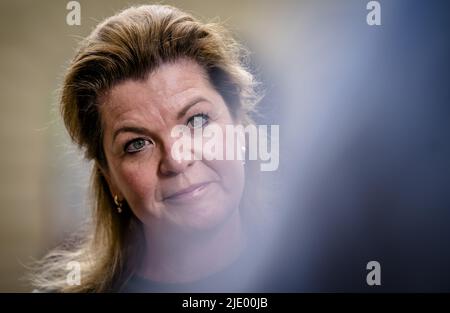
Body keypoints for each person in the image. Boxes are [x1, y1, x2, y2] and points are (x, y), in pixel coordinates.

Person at [30, 4, 268, 292]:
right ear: (110, 178)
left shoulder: (326, 271)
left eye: (197, 120)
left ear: (239, 126)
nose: (177, 160)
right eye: (137, 144)